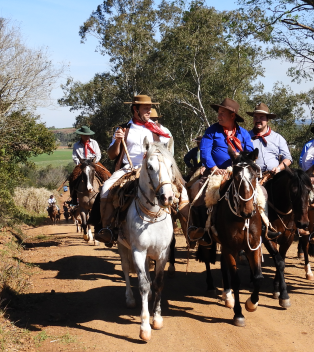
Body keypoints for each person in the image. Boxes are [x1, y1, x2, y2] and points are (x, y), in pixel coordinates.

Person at [189, 98, 279, 242]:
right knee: (198, 189)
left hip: (240, 171)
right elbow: (205, 151)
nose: (219, 116)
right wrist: (214, 168)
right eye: (219, 113)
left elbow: (250, 152)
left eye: (222, 113)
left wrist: (241, 158)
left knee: (262, 192)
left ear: (232, 116)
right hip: (216, 171)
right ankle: (202, 229)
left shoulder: (243, 133)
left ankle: (264, 226)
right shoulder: (211, 131)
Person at [94, 94, 173, 246]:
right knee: (105, 188)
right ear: (135, 110)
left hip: (154, 169)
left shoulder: (159, 130)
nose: (149, 111)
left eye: (150, 108)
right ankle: (107, 229)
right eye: (145, 109)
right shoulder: (123, 129)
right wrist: (117, 141)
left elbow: (168, 151)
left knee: (180, 189)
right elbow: (112, 155)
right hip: (129, 168)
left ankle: (188, 226)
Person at [247, 102, 291, 174]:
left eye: (261, 117)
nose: (258, 120)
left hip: (274, 178)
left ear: (267, 119)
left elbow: (288, 159)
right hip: (253, 178)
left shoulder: (278, 138)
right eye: (255, 117)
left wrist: (278, 168)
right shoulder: (246, 137)